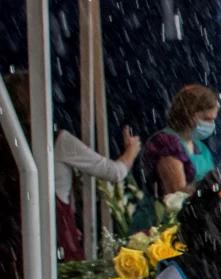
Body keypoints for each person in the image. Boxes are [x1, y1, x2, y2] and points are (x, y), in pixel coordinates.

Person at [2, 72, 142, 262]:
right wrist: (131, 151)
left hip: (12, 243)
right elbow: (114, 172)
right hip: (53, 239)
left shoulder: (9, 145)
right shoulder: (56, 142)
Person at [142, 84, 220, 199]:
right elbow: (176, 196)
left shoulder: (200, 146)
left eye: (213, 120)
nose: (211, 125)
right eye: (207, 119)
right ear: (188, 114)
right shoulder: (166, 144)